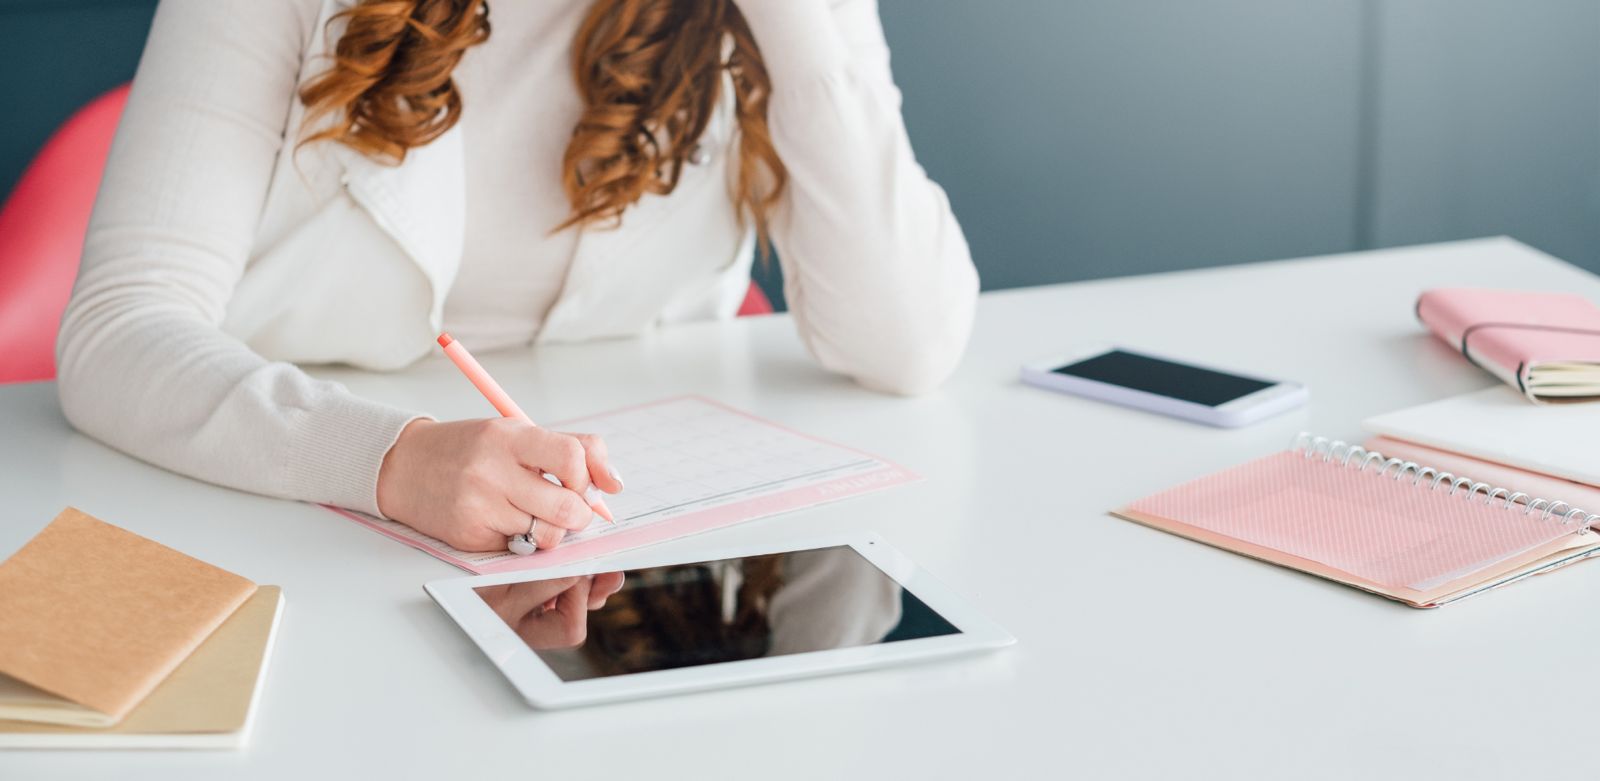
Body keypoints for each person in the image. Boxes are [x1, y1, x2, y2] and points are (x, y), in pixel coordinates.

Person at [56, 0, 978, 553]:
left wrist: (805, 29)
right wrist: (390, 459)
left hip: (625, 564)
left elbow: (908, 341)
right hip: (274, 517)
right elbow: (119, 328)